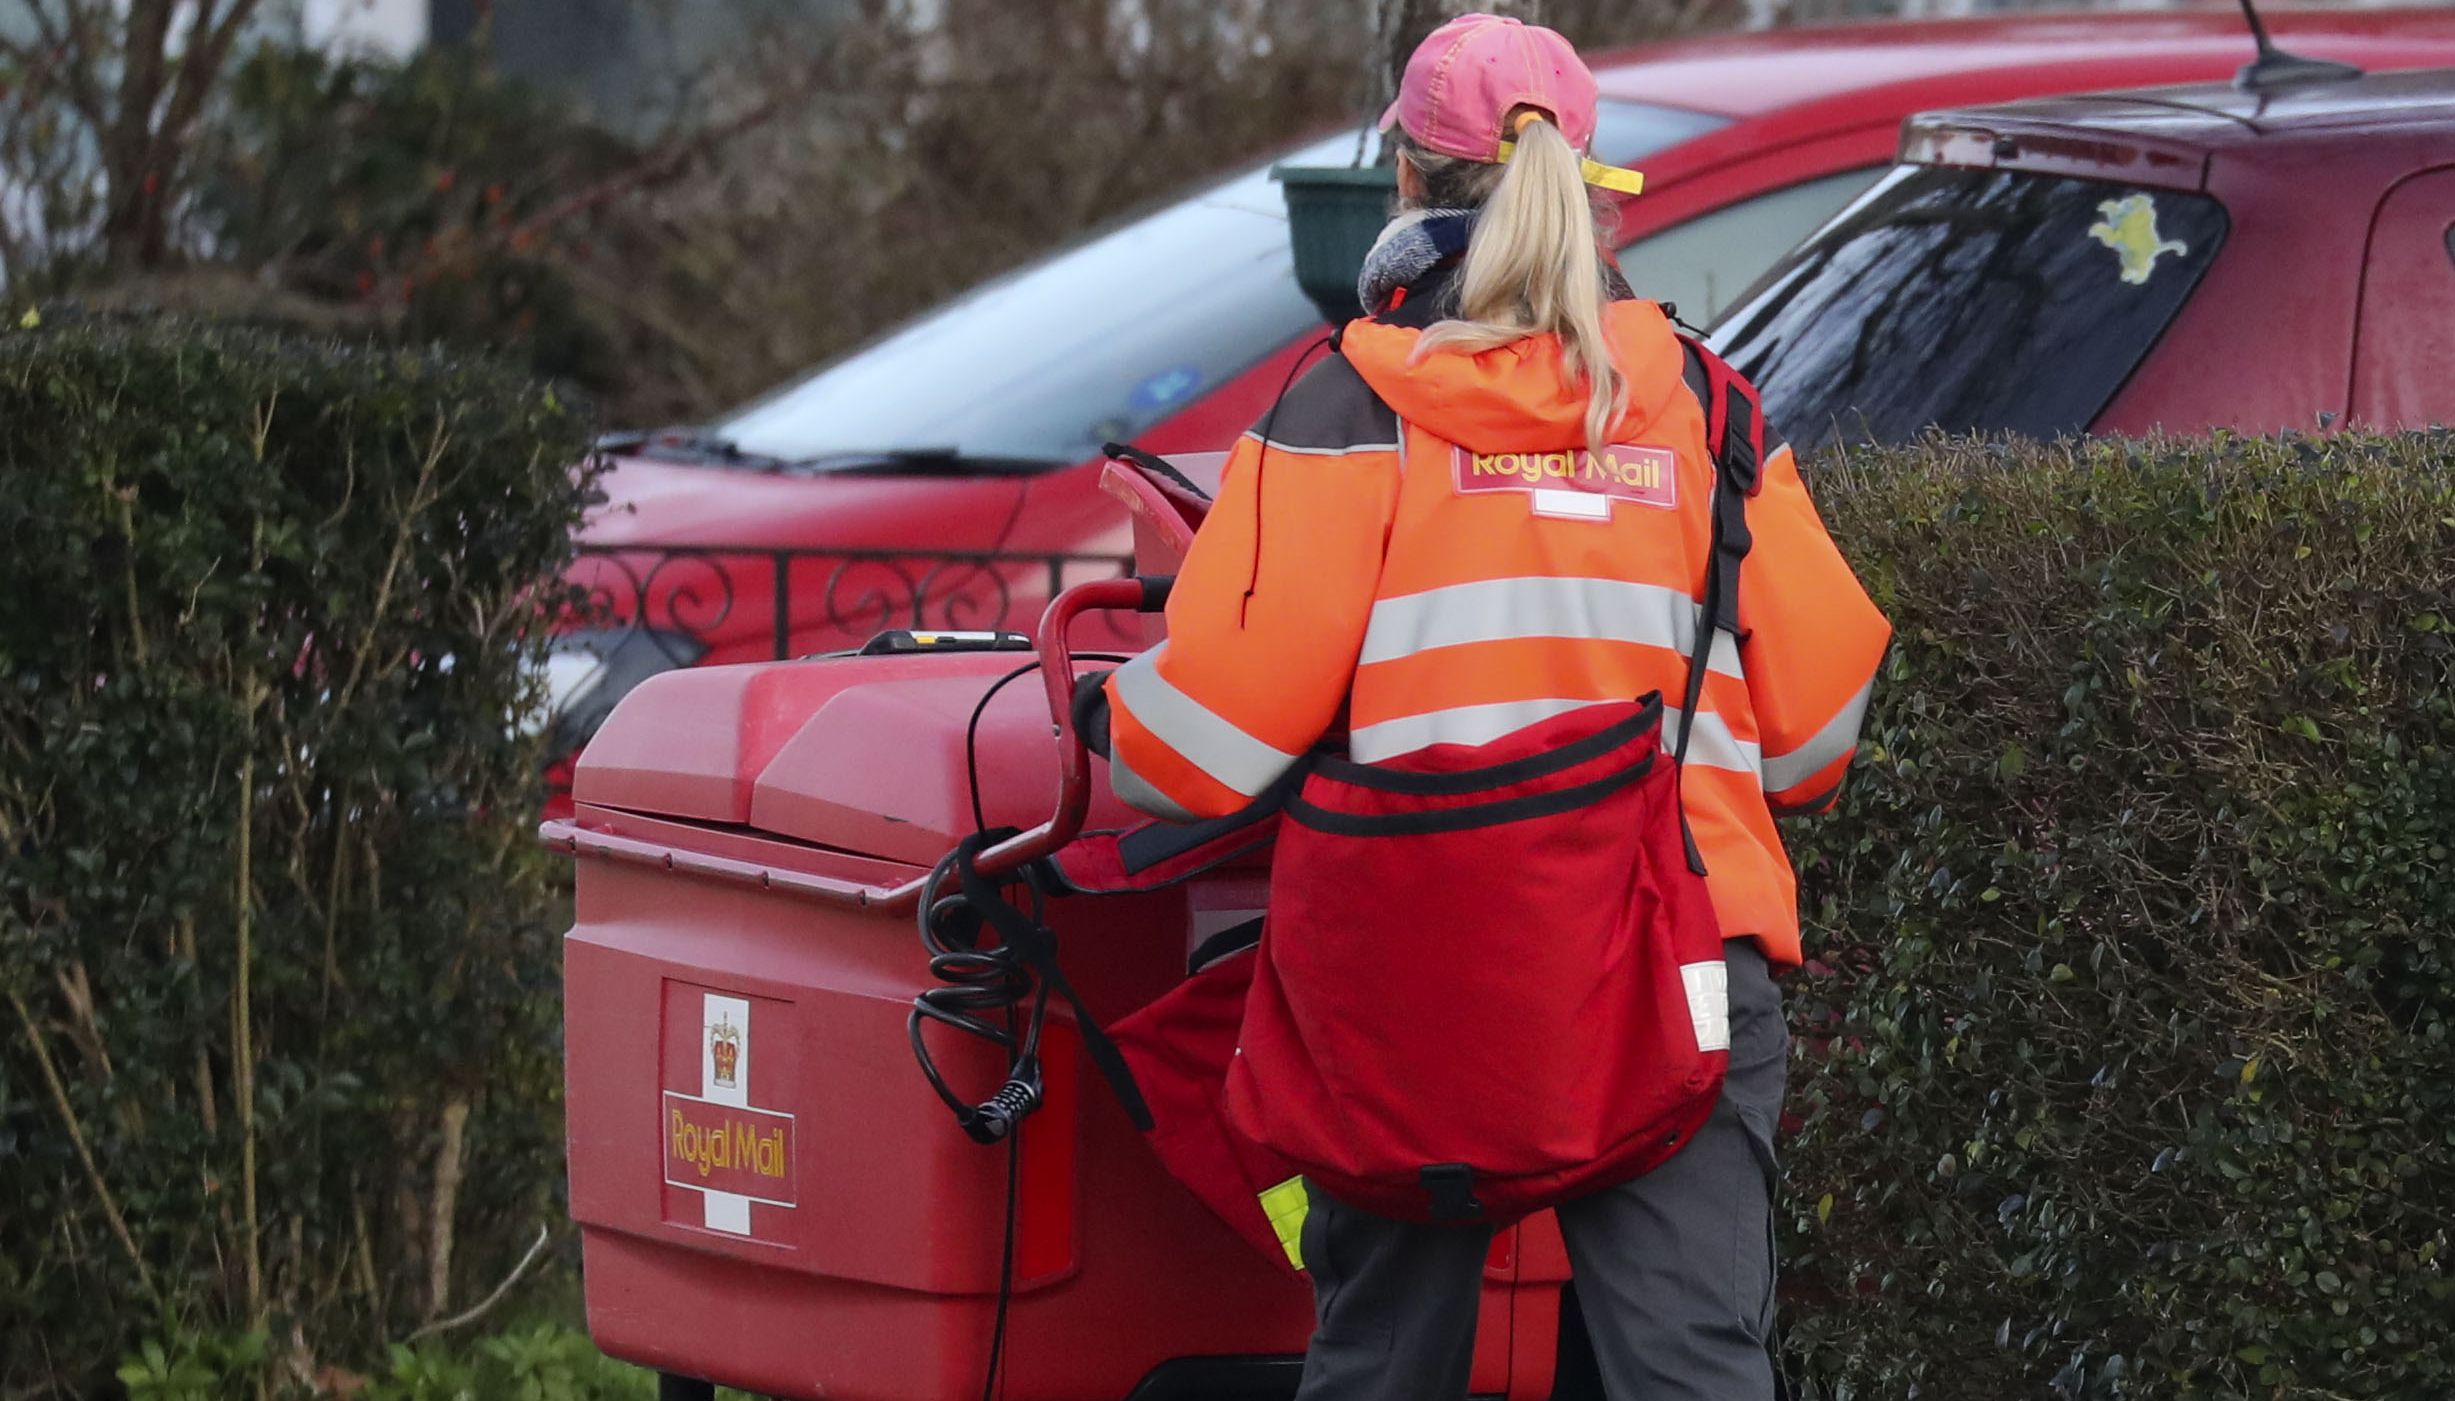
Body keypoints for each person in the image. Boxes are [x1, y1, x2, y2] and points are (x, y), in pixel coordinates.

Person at [1090, 13, 1890, 1400]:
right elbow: (1816, 738)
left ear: (1405, 179)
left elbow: (1203, 750)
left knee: (1383, 1366)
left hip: (1420, 974)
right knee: (1694, 1367)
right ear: (1590, 181)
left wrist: (1114, 713)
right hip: (1678, 957)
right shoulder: (1705, 407)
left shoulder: (1348, 411)